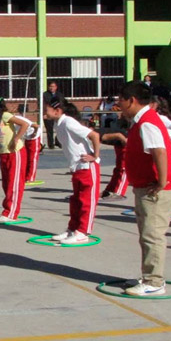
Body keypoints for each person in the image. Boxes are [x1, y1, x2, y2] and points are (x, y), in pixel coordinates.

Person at [118, 82, 171, 296]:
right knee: (146, 234)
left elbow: (159, 152)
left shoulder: (147, 122)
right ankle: (148, 276)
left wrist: (162, 182)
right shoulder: (141, 121)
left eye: (121, 100)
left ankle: (154, 282)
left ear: (132, 100)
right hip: (145, 187)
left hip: (155, 190)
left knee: (152, 235)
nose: (118, 104)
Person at [45, 98, 101, 244]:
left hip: (87, 167)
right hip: (76, 167)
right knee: (75, 200)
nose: (44, 114)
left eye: (47, 110)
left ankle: (83, 232)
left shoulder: (69, 122)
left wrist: (95, 156)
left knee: (86, 201)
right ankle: (73, 229)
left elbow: (94, 135)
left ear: (57, 111)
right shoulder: (59, 123)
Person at [0, 94, 30, 222]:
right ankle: (7, 209)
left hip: (15, 152)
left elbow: (24, 124)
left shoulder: (5, 115)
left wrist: (16, 138)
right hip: (3, 153)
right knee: (6, 183)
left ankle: (10, 213)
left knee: (14, 184)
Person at [99, 117, 129, 201]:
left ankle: (118, 192)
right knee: (119, 168)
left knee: (124, 168)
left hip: (126, 139)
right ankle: (110, 190)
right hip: (121, 140)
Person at [13, 114, 42, 183]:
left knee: (33, 158)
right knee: (27, 157)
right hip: (27, 137)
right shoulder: (10, 121)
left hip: (34, 137)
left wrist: (34, 133)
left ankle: (30, 178)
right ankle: (25, 176)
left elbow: (35, 126)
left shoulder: (17, 119)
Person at [42, 82, 64, 149]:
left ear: (56, 87)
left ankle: (58, 141)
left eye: (53, 86)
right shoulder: (45, 94)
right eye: (50, 86)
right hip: (48, 114)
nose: (52, 88)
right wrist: (45, 113)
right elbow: (43, 104)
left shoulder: (59, 94)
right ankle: (51, 144)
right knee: (49, 129)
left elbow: (62, 103)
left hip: (57, 114)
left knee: (60, 128)